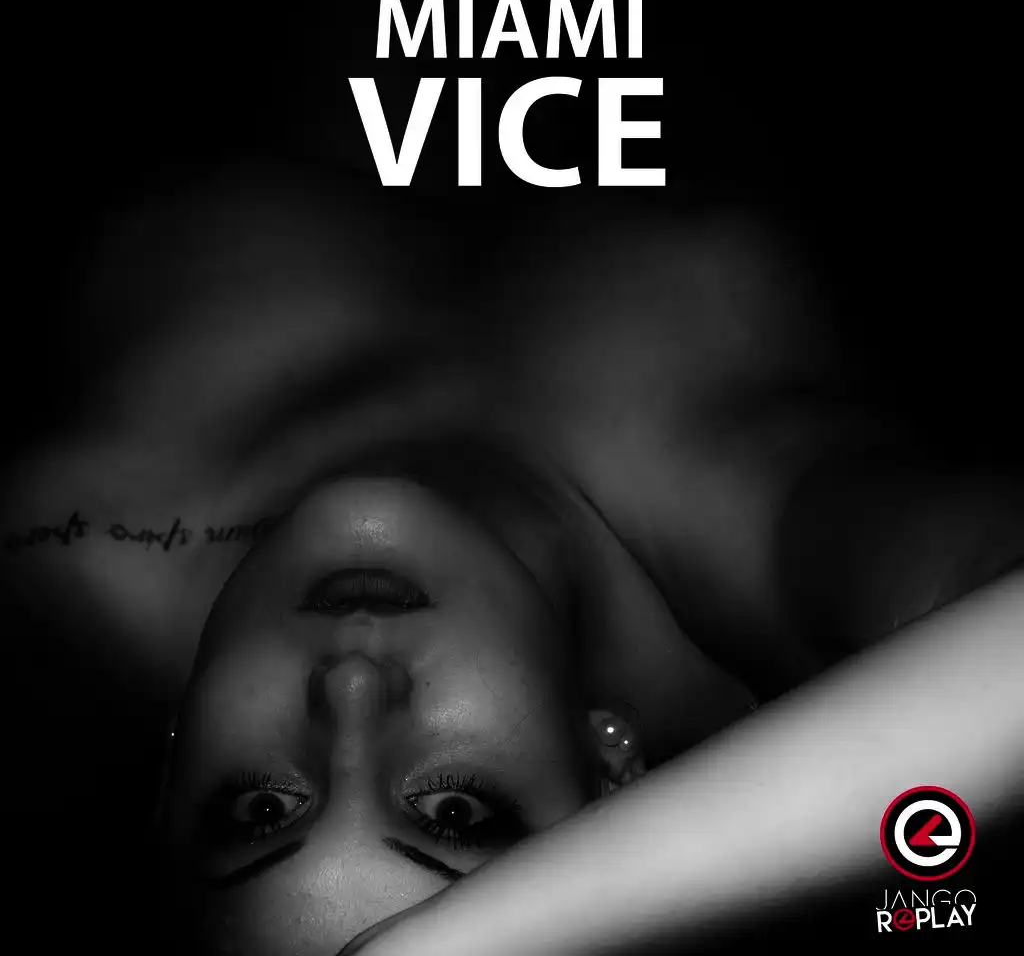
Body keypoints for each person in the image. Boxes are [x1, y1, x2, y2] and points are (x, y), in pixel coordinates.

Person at [6, 165, 1019, 953]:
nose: (351, 688)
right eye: (455, 806)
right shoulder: (724, 512)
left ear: (175, 767)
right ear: (609, 764)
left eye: (261, 806)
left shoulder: (92, 540)